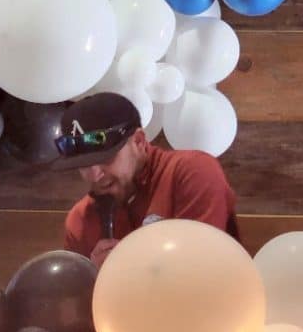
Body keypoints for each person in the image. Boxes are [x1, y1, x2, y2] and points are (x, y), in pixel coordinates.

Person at [52, 92, 240, 268]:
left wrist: (124, 268)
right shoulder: (80, 220)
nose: (94, 175)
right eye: (83, 165)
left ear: (139, 141)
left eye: (105, 159)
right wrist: (90, 278)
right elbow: (75, 299)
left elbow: (199, 272)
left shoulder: (192, 171)